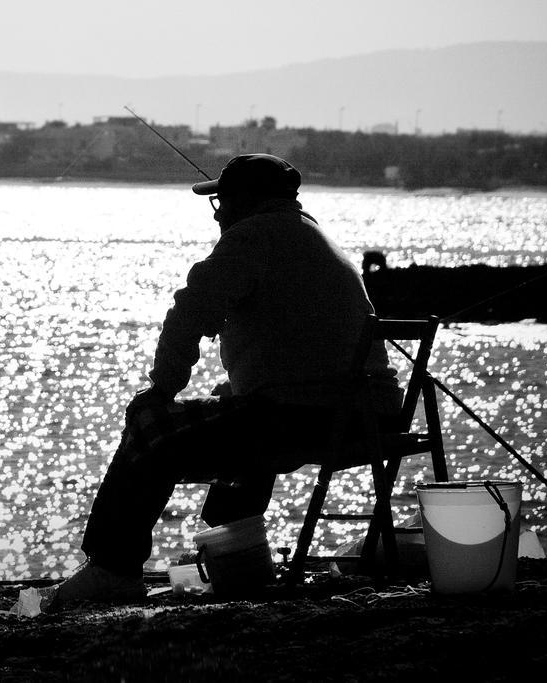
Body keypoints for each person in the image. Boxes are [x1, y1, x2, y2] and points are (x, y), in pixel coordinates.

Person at [48, 153, 403, 608]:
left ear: (242, 201)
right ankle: (232, 561)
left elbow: (189, 311)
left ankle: (112, 568)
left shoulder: (251, 238)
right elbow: (303, 352)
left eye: (221, 202)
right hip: (369, 416)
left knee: (148, 423)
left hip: (310, 418)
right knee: (236, 408)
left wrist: (161, 388)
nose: (218, 214)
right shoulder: (313, 237)